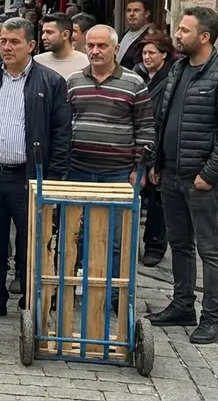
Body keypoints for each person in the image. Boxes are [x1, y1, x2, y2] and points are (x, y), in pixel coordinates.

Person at [148, 6, 218, 344]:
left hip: (202, 179)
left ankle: (212, 317)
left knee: (210, 249)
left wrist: (210, 174)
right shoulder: (177, 68)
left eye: (185, 31)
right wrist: (157, 164)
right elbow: (163, 120)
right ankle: (182, 305)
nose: (178, 35)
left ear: (204, 36)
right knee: (179, 243)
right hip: (172, 175)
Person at [0, 17, 71, 321]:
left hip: (29, 177)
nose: (7, 47)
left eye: (14, 42)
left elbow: (62, 134)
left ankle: (30, 299)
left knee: (32, 241)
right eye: (3, 41)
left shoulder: (50, 82)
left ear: (31, 45)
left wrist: (53, 180)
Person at [65, 25, 154, 305]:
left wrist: (138, 169)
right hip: (78, 169)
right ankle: (76, 287)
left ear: (116, 49)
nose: (95, 51)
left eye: (102, 46)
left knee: (116, 239)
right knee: (75, 235)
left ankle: (114, 293)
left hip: (117, 174)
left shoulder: (133, 82)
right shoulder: (73, 81)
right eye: (90, 45)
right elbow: (64, 124)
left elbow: (146, 129)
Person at [135, 30, 176, 267]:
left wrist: (156, 158)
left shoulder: (170, 79)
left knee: (157, 201)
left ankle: (155, 245)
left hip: (159, 143)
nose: (147, 57)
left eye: (152, 52)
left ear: (164, 54)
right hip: (139, 142)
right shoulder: (139, 75)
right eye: (144, 52)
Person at [34, 12, 90, 79]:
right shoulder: (37, 62)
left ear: (65, 35)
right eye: (43, 32)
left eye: (49, 32)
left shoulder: (86, 63)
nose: (43, 37)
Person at [118, 0, 153, 70]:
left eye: (136, 10)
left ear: (147, 14)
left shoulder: (151, 36)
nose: (131, 14)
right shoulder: (126, 33)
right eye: (129, 11)